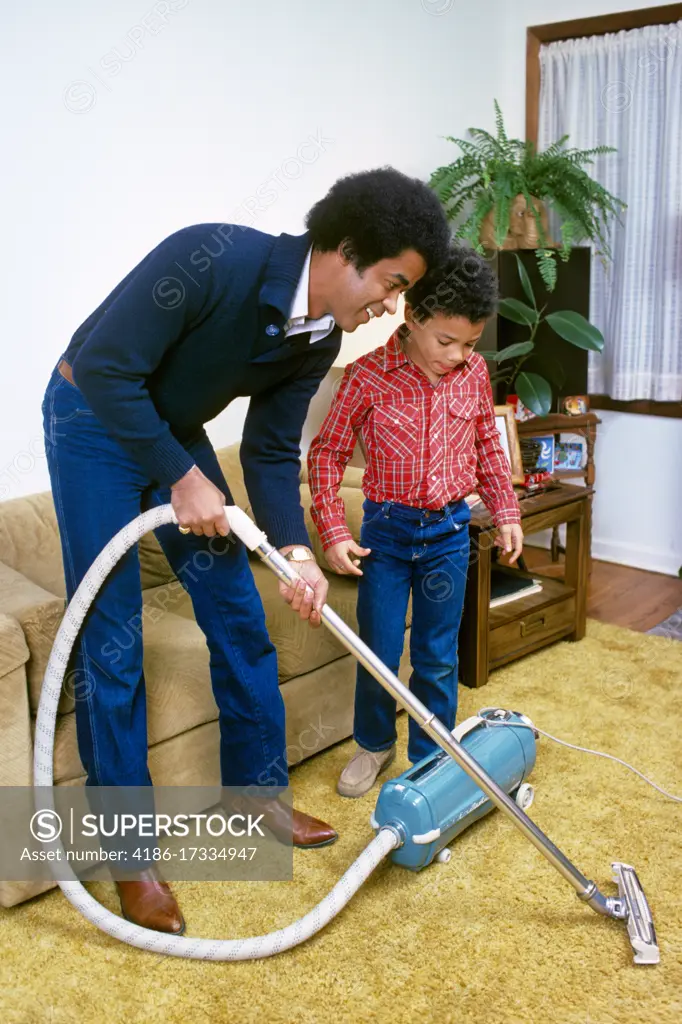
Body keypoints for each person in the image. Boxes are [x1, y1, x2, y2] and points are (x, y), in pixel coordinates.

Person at [42, 168, 450, 933]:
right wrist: (180, 477)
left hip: (167, 424)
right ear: (345, 250)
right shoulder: (212, 257)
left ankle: (254, 793)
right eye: (392, 283)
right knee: (112, 643)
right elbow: (104, 368)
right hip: (93, 419)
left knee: (236, 608)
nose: (392, 306)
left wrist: (293, 551)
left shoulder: (319, 332)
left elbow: (267, 449)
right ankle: (130, 854)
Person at [307, 246, 524, 798]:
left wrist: (507, 514)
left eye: (469, 344)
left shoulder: (474, 374)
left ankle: (432, 757)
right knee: (377, 648)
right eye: (445, 341)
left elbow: (487, 449)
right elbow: (327, 453)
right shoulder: (365, 377)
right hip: (386, 533)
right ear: (412, 317)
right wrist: (333, 529)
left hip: (450, 534)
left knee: (436, 650)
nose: (457, 355)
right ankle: (374, 743)